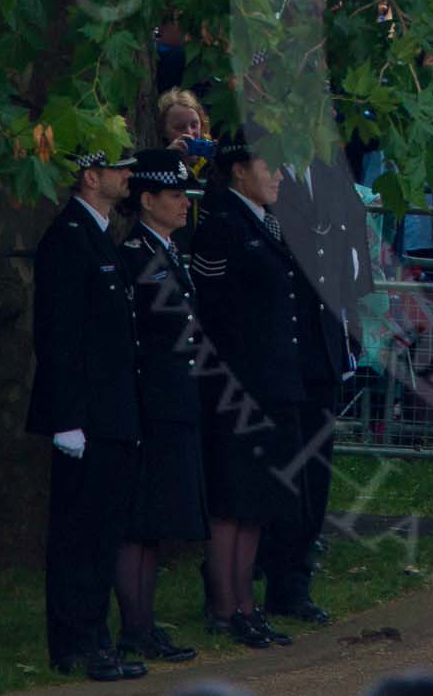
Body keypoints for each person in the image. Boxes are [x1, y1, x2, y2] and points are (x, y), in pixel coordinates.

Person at [23, 148, 147, 683]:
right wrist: (66, 418)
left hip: (111, 410)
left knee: (102, 530)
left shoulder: (97, 235)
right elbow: (60, 336)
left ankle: (93, 636)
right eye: (119, 169)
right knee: (80, 531)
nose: (128, 178)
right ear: (91, 177)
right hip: (87, 414)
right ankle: (75, 641)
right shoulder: (68, 238)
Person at [187, 140, 305, 650]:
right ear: (238, 172)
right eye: (267, 166)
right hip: (238, 383)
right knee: (232, 498)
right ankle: (224, 605)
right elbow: (212, 313)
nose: (278, 175)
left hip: (276, 381)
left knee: (258, 499)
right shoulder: (221, 227)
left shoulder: (267, 224)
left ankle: (247, 605)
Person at [256, 141, 371, 626]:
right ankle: (260, 573)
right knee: (280, 469)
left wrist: (353, 327)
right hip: (280, 346)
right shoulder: (262, 166)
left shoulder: (329, 175)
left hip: (323, 346)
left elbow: (354, 260)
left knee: (315, 474)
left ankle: (295, 580)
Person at [112, 150, 204, 665]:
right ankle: (135, 626)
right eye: (173, 196)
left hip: (175, 395)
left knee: (155, 520)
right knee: (139, 520)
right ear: (146, 200)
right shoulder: (135, 255)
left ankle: (144, 624)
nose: (183, 205)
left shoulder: (167, 249)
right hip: (151, 399)